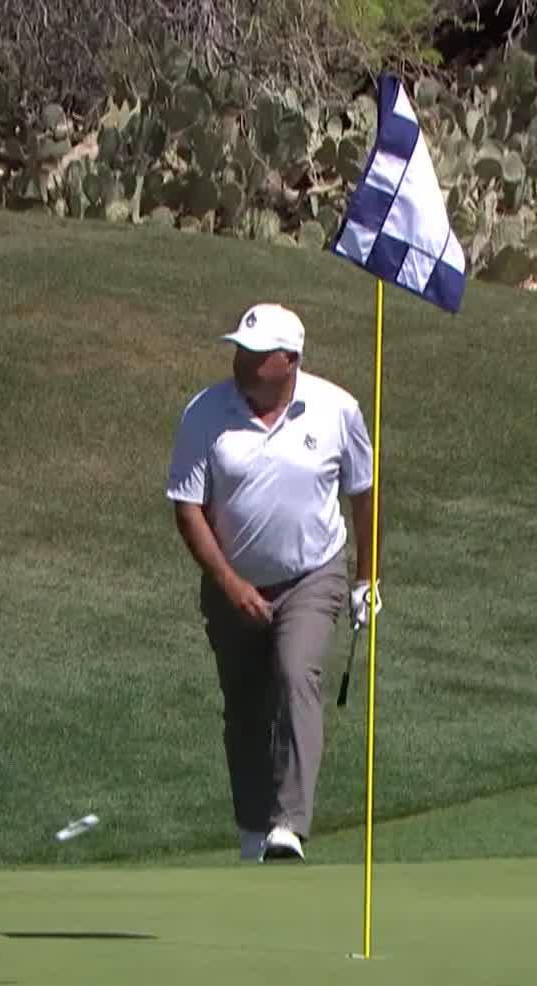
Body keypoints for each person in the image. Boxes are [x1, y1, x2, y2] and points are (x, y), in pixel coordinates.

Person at [166, 303, 381, 863]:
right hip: (232, 581)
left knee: (294, 673)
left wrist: (365, 578)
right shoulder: (205, 412)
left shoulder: (337, 409)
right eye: (241, 350)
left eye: (258, 356)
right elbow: (188, 509)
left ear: (290, 361)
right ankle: (251, 830)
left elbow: (364, 493)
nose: (244, 362)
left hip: (313, 572)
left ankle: (289, 824)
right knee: (243, 708)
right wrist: (231, 584)